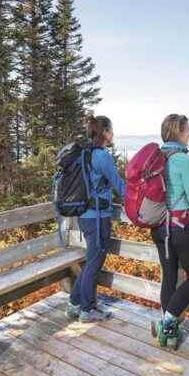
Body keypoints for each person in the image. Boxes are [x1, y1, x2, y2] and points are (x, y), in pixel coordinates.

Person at [66, 115, 126, 322]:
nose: (113, 134)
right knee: (94, 263)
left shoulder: (84, 153)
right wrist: (137, 202)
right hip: (98, 218)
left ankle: (74, 304)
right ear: (106, 133)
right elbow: (118, 184)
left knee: (91, 261)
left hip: (84, 215)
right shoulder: (102, 156)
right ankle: (87, 309)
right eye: (111, 130)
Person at [151, 114, 189, 342]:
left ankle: (168, 333)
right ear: (178, 132)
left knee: (170, 276)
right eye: (187, 130)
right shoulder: (183, 160)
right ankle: (168, 323)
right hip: (180, 227)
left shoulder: (157, 157)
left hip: (159, 226)